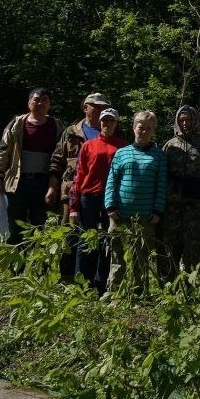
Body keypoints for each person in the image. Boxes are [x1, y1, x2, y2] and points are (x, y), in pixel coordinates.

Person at [0, 87, 65, 246]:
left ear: (49, 104)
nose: (40, 103)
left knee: (39, 224)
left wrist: (55, 184)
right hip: (18, 182)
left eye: (44, 100)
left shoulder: (57, 126)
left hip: (44, 183)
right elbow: (3, 152)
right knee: (15, 224)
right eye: (36, 99)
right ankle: (15, 265)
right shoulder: (16, 125)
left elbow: (61, 157)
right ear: (29, 103)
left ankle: (37, 266)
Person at [104, 110, 167, 294]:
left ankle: (139, 291)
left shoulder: (159, 156)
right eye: (141, 127)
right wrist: (110, 206)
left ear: (153, 130)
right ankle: (114, 290)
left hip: (145, 216)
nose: (144, 131)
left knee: (141, 256)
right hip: (119, 214)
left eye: (149, 128)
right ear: (134, 128)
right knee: (116, 255)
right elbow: (111, 181)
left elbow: (161, 185)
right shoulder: (121, 153)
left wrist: (158, 210)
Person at [48, 92, 109, 281]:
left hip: (101, 192)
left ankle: (94, 278)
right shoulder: (71, 131)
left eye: (103, 107)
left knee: (97, 236)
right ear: (86, 107)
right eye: (96, 106)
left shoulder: (109, 131)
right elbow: (57, 161)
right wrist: (52, 187)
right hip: (71, 191)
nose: (99, 110)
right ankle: (66, 277)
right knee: (69, 233)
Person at [69, 107, 127, 292]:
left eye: (111, 121)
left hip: (112, 200)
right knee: (85, 240)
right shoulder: (88, 145)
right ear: (100, 122)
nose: (107, 124)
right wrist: (74, 206)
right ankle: (81, 284)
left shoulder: (123, 147)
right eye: (104, 120)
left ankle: (102, 284)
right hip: (89, 198)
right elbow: (78, 176)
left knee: (108, 242)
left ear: (116, 124)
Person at [160, 105, 200, 283]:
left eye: (189, 119)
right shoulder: (170, 145)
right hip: (172, 206)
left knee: (193, 247)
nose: (185, 123)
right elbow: (162, 174)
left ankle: (192, 285)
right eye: (182, 120)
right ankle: (168, 285)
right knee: (170, 245)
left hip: (196, 206)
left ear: (195, 120)